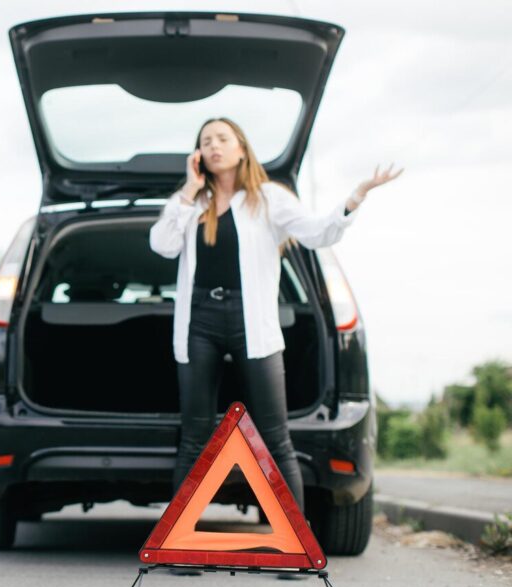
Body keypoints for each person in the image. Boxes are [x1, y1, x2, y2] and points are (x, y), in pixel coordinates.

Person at [149, 117, 402, 514]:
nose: (213, 146)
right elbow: (162, 245)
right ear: (198, 156)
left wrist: (355, 198)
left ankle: (297, 551)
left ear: (241, 148)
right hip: (199, 322)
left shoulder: (269, 197)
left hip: (252, 323)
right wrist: (188, 189)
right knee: (195, 437)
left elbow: (318, 233)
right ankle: (179, 548)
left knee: (274, 436)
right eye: (205, 141)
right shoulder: (192, 202)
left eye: (222, 139)